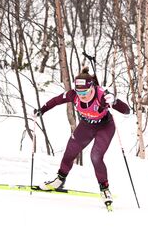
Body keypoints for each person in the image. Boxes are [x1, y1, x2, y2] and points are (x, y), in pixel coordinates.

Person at [33, 66, 130, 206]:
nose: (82, 95)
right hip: (87, 125)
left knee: (95, 156)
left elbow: (126, 111)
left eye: (85, 91)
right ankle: (59, 180)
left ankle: (104, 189)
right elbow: (55, 100)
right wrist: (41, 110)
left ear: (92, 87)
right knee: (70, 151)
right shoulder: (73, 95)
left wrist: (114, 101)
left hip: (105, 126)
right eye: (79, 92)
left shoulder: (102, 95)